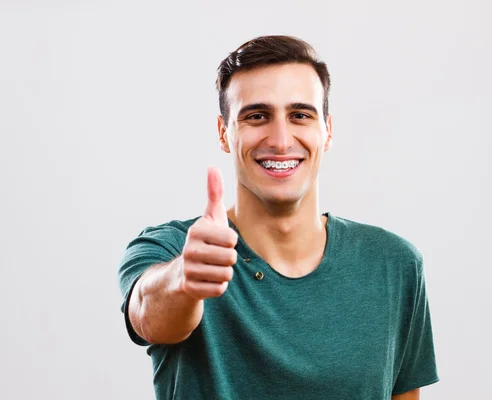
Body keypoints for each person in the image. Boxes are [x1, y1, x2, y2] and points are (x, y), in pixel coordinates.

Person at [117, 35, 439, 400]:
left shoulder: (394, 264)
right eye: (257, 116)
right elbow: (148, 313)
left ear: (327, 131)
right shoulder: (174, 250)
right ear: (225, 133)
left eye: (300, 115)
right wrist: (183, 280)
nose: (281, 140)